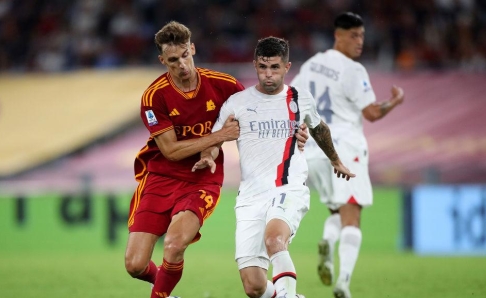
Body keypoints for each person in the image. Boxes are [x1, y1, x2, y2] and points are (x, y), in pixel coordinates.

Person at [124, 21, 308, 298]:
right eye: (173, 60)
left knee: (174, 245)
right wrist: (218, 136)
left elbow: (262, 111)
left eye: (185, 55)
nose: (182, 64)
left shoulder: (223, 85)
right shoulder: (154, 96)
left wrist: (297, 132)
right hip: (160, 177)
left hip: (201, 178)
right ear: (163, 61)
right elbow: (171, 151)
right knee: (135, 265)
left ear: (193, 49)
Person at [192, 36, 355, 298]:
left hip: (287, 187)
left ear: (287, 67)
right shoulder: (238, 103)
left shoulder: (299, 99)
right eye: (263, 67)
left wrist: (335, 159)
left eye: (275, 68)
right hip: (250, 196)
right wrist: (209, 155)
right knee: (254, 286)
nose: (268, 75)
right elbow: (216, 138)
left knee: (274, 240)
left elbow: (319, 128)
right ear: (255, 64)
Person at [290, 12, 405, 298]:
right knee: (352, 215)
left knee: (336, 210)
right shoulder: (354, 71)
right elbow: (372, 113)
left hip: (315, 151)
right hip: (344, 150)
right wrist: (395, 101)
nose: (359, 42)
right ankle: (343, 282)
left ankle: (328, 243)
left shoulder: (312, 65)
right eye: (353, 35)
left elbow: (293, 103)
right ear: (337, 35)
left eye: (362, 36)